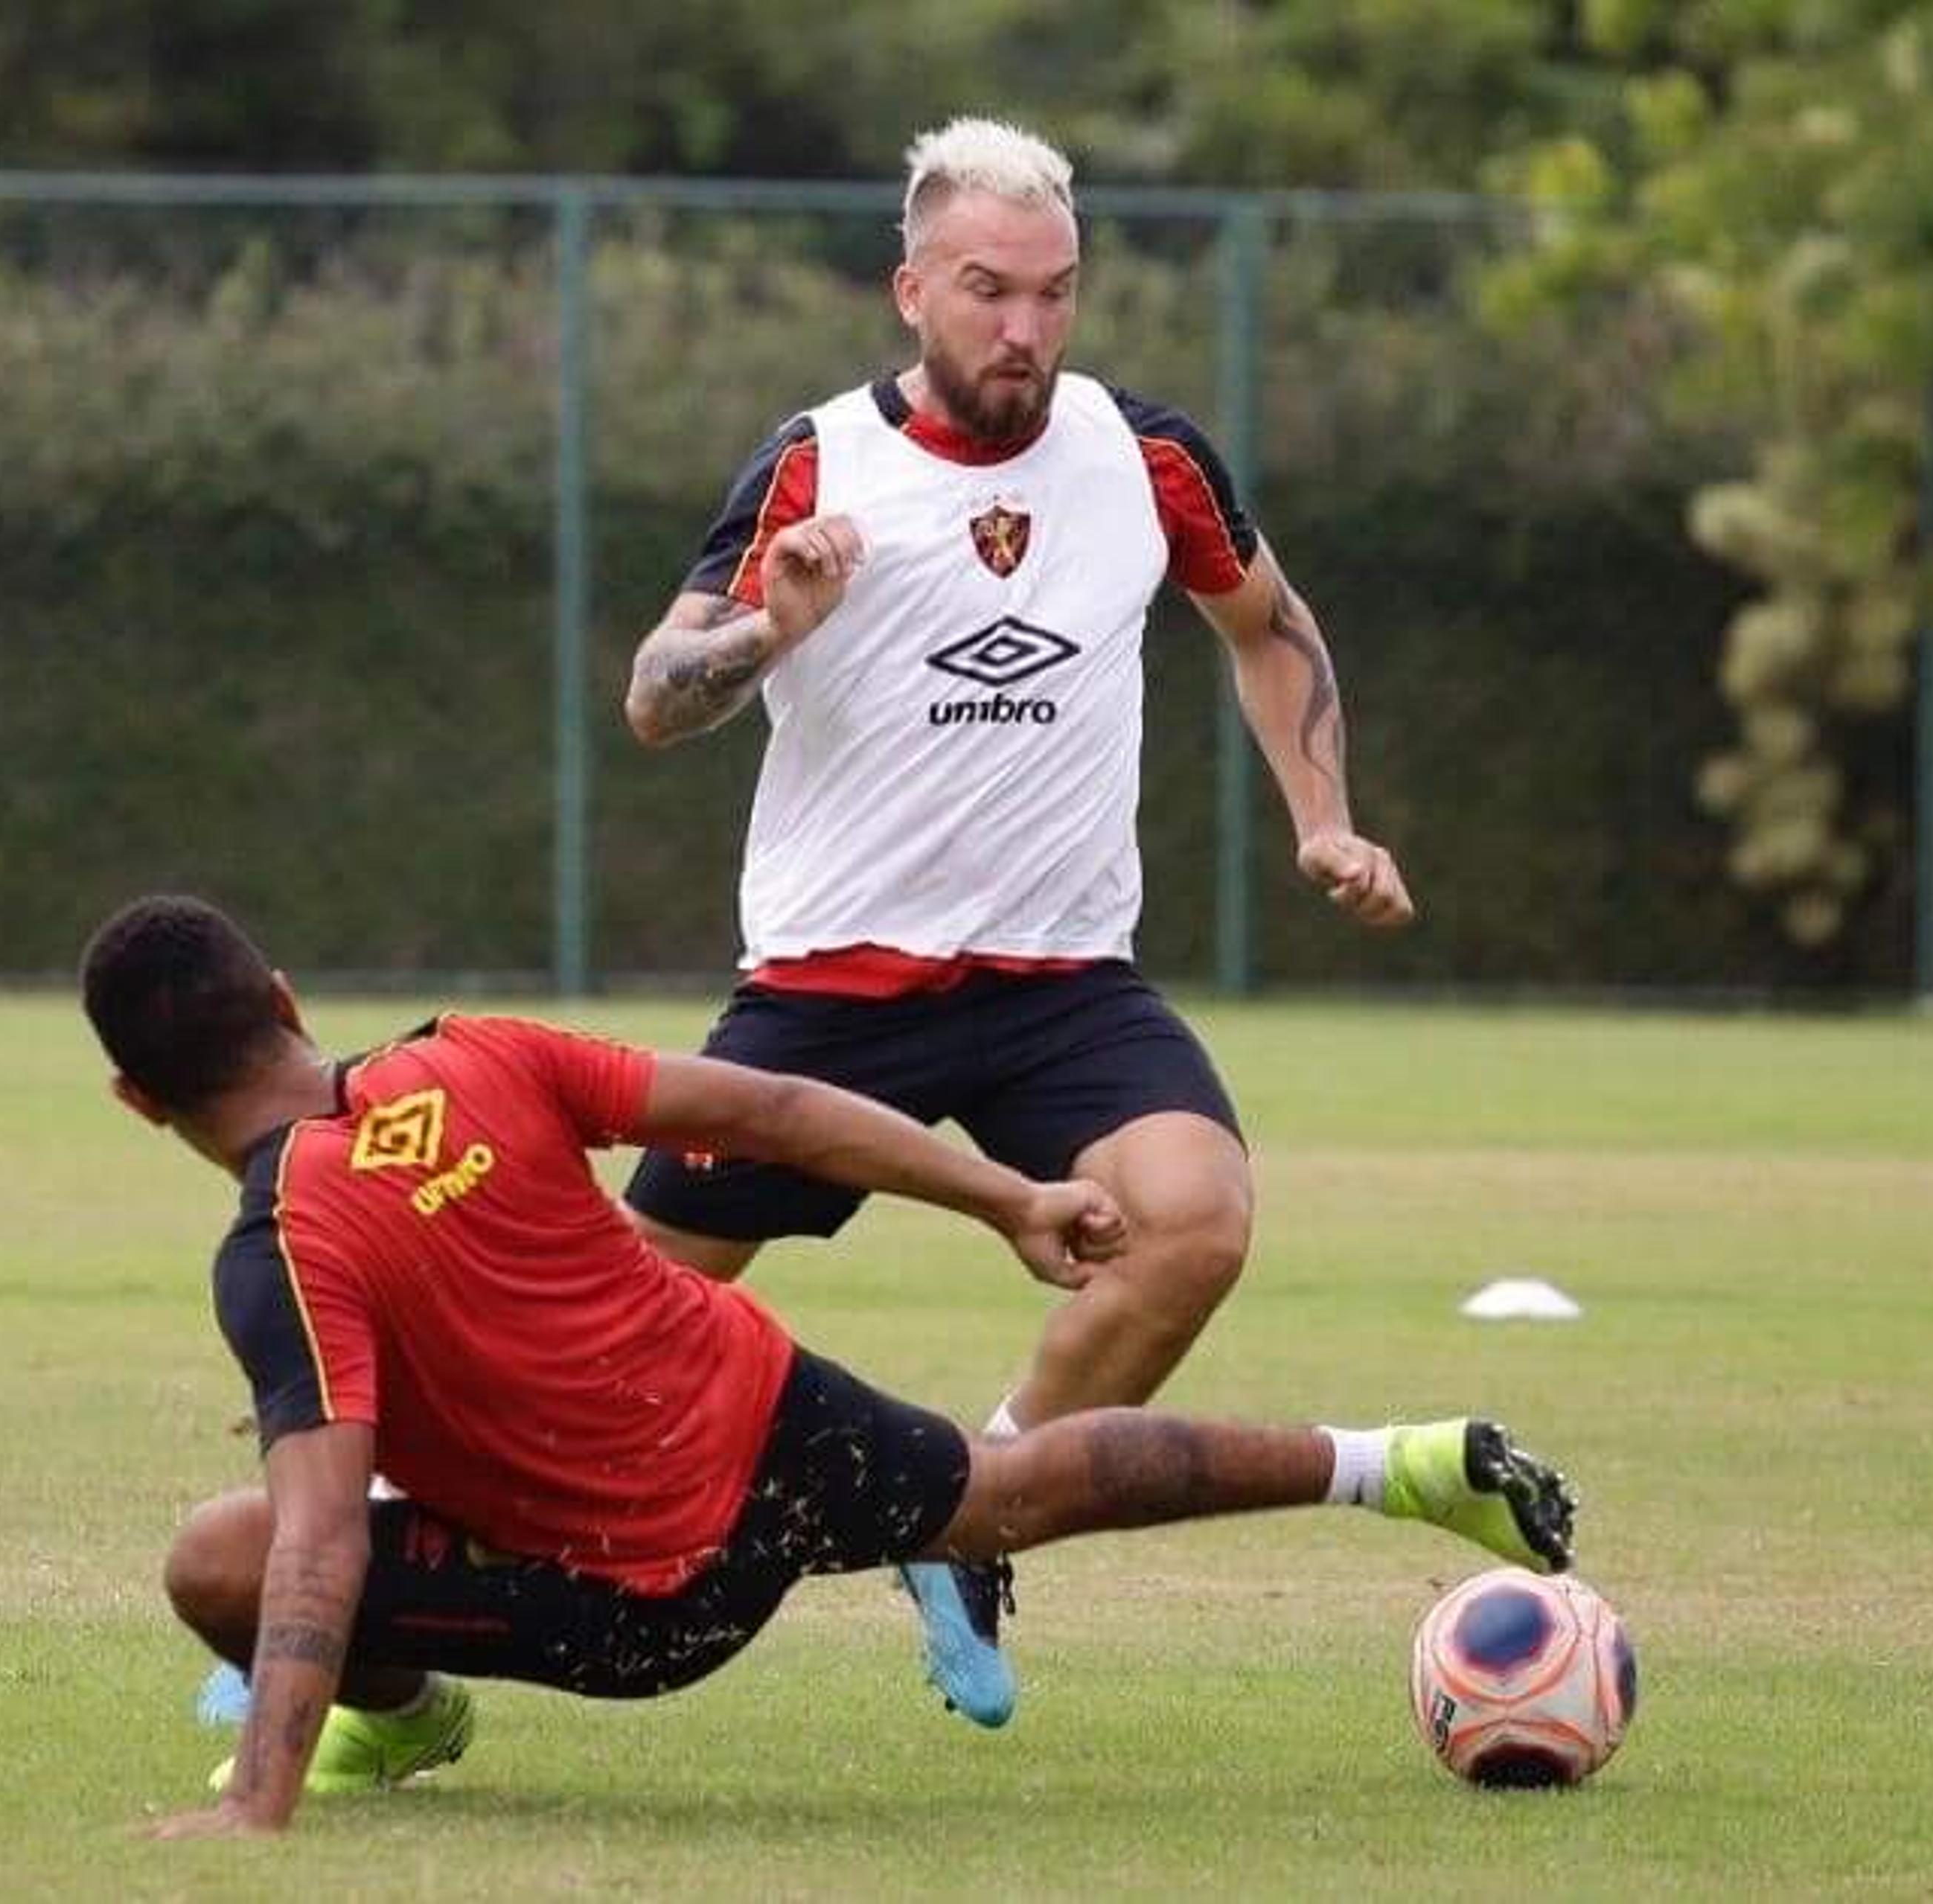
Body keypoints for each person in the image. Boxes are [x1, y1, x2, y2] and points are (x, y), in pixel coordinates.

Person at [81, 895, 1574, 1838]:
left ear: (141, 1102)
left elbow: (321, 1535)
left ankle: (398, 1722)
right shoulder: (475, 1050)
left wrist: (255, 1812)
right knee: (1004, 1488)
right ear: (284, 995)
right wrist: (1012, 1196)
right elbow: (783, 1108)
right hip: (779, 1415)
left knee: (221, 1550)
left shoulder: (275, 1246)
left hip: (648, 1602)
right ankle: (1404, 1461)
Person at [619, 115, 1415, 1728]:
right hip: (830, 998)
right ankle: (356, 1582)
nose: (1026, 329)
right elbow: (653, 695)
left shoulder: (1146, 454)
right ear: (912, 288)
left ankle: (972, 1516)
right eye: (989, 290)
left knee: (1196, 1217)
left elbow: (1268, 626)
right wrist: (772, 628)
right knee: (603, 1325)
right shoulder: (819, 463)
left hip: (1063, 983)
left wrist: (1322, 818)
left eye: (1055, 294)